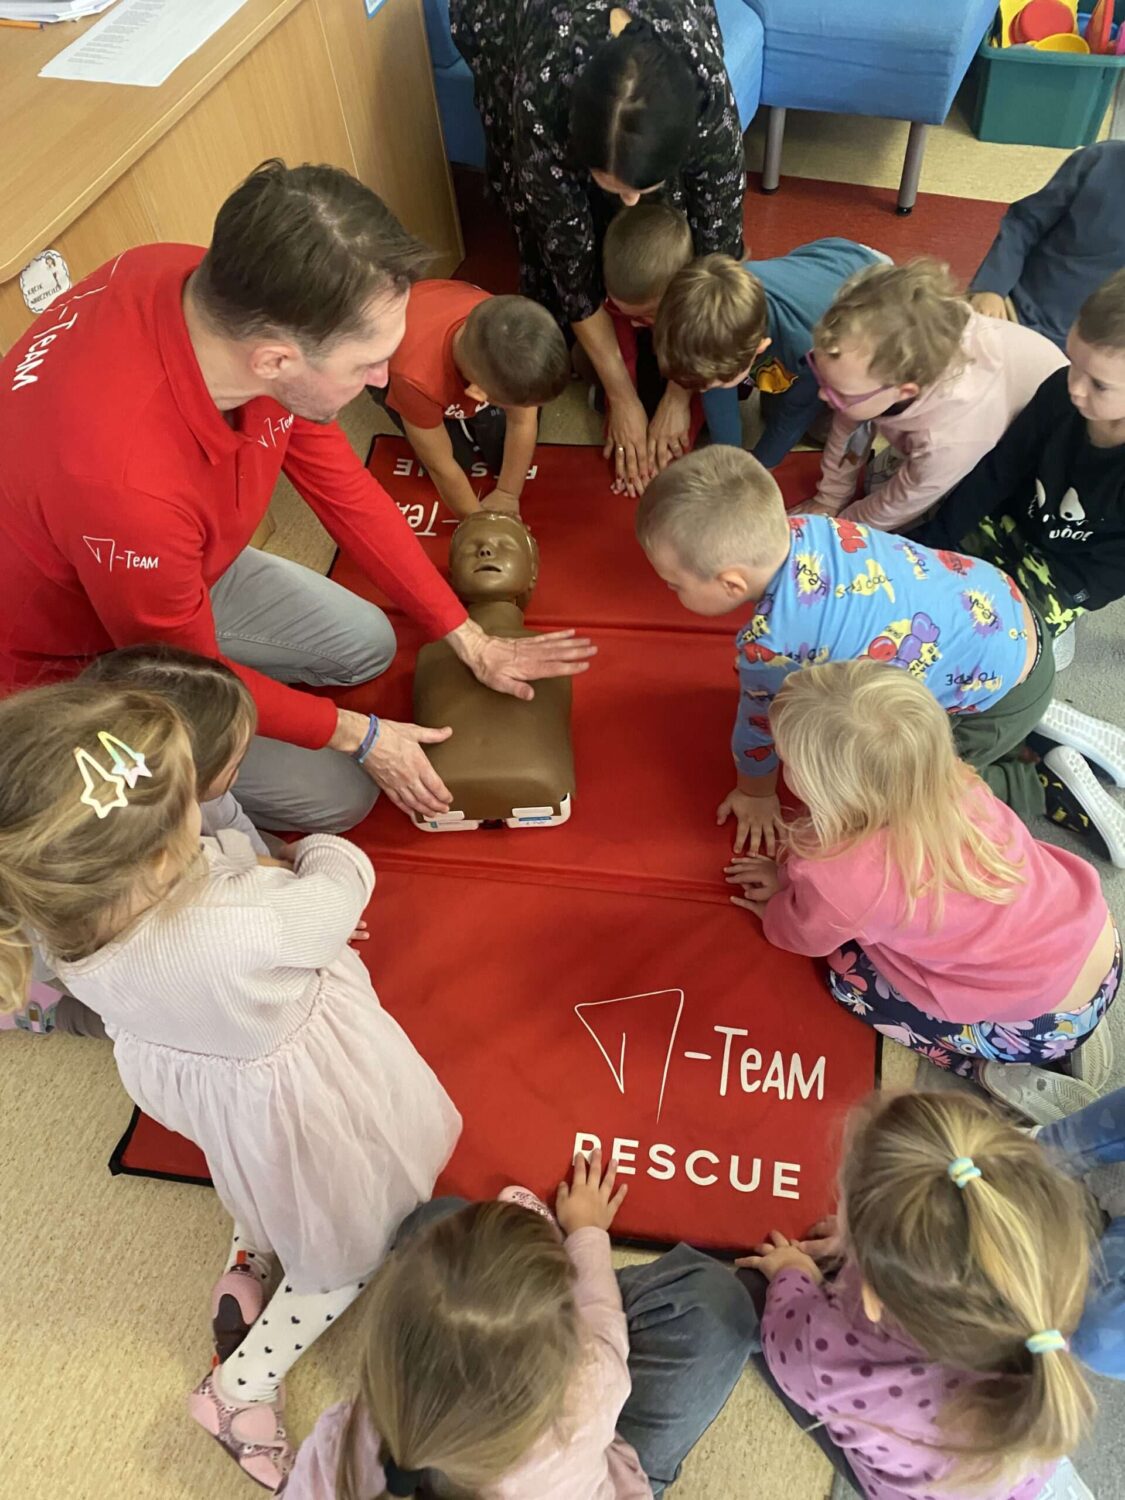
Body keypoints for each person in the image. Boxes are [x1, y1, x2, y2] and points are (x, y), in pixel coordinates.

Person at [0, 159, 594, 836]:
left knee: (367, 645)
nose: (382, 380)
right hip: (74, 657)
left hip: (172, 569)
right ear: (275, 360)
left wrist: (466, 635)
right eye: (365, 364)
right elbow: (182, 671)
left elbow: (343, 489)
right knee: (340, 795)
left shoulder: (215, 291)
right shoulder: (128, 488)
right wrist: (361, 736)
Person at [0, 681, 462, 1489]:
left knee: (252, 1160)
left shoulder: (59, 919)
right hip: (303, 1085)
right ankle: (240, 1387)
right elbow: (336, 896)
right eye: (191, 801)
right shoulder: (237, 923)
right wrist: (324, 850)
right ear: (158, 856)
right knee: (351, 1242)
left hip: (204, 1079)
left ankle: (254, 1241)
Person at [634, 446, 1059, 855]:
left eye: (674, 584)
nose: (671, 591)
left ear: (731, 584)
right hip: (1006, 609)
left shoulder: (772, 647)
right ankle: (1030, 730)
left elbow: (760, 727)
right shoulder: (811, 528)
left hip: (1000, 695)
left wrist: (755, 793)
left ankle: (1035, 785)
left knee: (906, 797)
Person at [723, 659, 1118, 1084]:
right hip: (1102, 947)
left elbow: (805, 936)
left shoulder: (836, 873)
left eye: (786, 760)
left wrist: (778, 906)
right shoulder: (959, 780)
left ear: (827, 788)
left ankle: (989, 1071)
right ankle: (1059, 1024)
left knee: (848, 982)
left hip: (1035, 1031)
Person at [282, 1147, 756, 1498]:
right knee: (720, 1305)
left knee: (434, 1223)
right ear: (567, 1358)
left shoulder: (342, 1442)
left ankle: (518, 1272)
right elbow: (601, 1320)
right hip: (599, 1467)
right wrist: (588, 1231)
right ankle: (540, 1267)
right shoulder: (587, 1393)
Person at [739, 1089, 1098, 1500]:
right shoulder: (1040, 1301)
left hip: (914, 1484)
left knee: (749, 1293)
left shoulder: (824, 1359)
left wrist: (793, 1272)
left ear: (873, 1298)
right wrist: (866, 1241)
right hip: (1007, 1467)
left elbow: (786, 1347)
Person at [450, 1, 745, 498]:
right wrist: (621, 397)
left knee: (665, 236)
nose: (628, 202)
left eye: (641, 186)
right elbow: (571, 268)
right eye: (611, 183)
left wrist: (679, 396)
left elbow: (720, 249)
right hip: (521, 16)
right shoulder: (541, 100)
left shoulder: (704, 93)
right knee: (558, 255)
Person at [0, 642, 268, 1040]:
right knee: (124, 1022)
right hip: (62, 963)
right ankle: (40, 1013)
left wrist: (266, 877)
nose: (238, 775)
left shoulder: (153, 794)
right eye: (235, 764)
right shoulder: (77, 922)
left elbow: (231, 825)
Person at [803, 258, 1066, 532]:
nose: (822, 394)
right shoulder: (872, 371)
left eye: (840, 393)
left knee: (913, 520)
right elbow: (850, 427)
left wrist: (841, 528)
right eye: (820, 375)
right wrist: (829, 499)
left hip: (1034, 458)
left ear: (905, 390)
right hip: (982, 409)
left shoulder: (947, 439)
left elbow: (898, 505)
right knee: (874, 478)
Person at [652, 240, 888, 467]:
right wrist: (729, 457)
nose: (702, 391)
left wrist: (763, 464)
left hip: (877, 288)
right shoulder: (723, 298)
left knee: (823, 427)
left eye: (713, 384)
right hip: (827, 263)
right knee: (772, 404)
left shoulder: (808, 349)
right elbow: (718, 396)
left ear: (759, 348)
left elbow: (795, 415)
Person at [373, 283, 570, 517]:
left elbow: (522, 422)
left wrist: (508, 493)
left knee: (505, 455)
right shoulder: (414, 381)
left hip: (445, 333)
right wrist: (478, 522)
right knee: (458, 462)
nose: (530, 409)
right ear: (478, 394)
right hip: (391, 363)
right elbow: (441, 466)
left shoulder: (505, 323)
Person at [969, 140, 1125, 352]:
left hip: (1099, 352)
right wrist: (991, 288)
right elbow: (1024, 223)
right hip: (1015, 312)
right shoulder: (1100, 160)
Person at [598, 202, 705, 453]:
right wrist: (622, 423)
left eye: (647, 313)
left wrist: (679, 442)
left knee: (716, 388)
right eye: (628, 313)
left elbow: (699, 370)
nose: (636, 321)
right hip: (650, 349)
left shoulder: (696, 307)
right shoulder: (619, 302)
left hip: (685, 347)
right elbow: (624, 360)